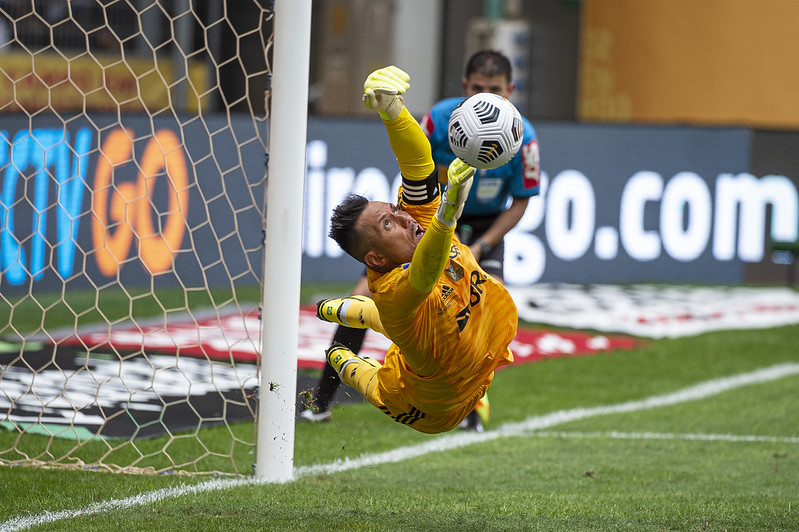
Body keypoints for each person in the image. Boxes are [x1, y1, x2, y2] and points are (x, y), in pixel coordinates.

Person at [301, 51, 539, 431]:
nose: (404, 216)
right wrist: (446, 217)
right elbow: (426, 272)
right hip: (426, 404)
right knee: (366, 362)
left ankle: (342, 310)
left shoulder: (413, 221)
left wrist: (393, 111)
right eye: (389, 223)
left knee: (378, 315)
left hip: (478, 234)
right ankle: (330, 384)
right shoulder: (395, 285)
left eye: (395, 210)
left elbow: (417, 164)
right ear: (376, 258)